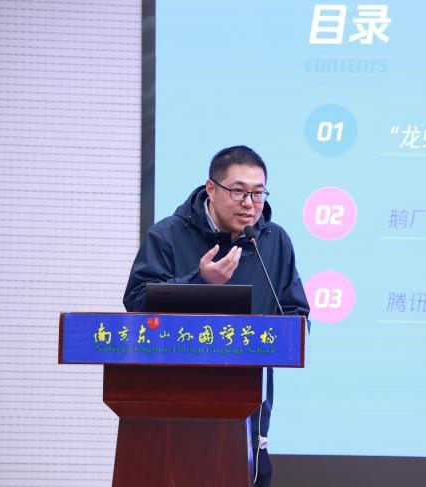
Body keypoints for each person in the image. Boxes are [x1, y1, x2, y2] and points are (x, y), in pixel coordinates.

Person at [123, 145, 310, 486]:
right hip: (174, 408)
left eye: (258, 193)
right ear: (211, 188)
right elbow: (136, 303)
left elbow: (295, 312)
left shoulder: (274, 240)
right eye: (238, 191)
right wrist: (201, 280)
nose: (249, 203)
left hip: (249, 410)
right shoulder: (167, 235)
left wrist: (285, 334)